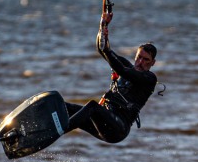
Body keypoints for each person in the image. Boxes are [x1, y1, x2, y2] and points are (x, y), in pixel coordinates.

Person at [64, 11, 158, 143]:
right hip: (103, 121)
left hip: (118, 128)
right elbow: (101, 49)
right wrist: (103, 25)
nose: (140, 62)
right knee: (65, 107)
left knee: (92, 106)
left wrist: (106, 50)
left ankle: (58, 132)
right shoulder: (128, 66)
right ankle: (36, 130)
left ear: (153, 63)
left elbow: (121, 70)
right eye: (139, 58)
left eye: (146, 60)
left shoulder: (149, 79)